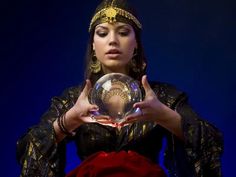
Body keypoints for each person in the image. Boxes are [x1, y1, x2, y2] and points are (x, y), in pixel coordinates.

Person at [16, 0, 223, 176]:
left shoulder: (162, 96)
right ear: (94, 47)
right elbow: (29, 147)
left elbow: (212, 142)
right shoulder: (75, 98)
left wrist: (164, 116)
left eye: (123, 32)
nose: (113, 41)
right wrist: (69, 120)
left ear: (136, 46)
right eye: (103, 33)